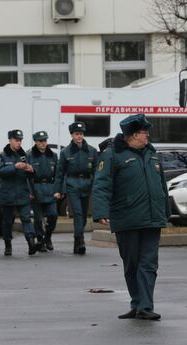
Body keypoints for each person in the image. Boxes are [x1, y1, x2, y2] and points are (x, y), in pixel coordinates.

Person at [92, 114, 170, 321]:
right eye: (145, 133)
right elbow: (101, 184)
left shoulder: (152, 155)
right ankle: (137, 303)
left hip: (153, 219)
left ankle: (145, 305)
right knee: (132, 264)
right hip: (127, 218)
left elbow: (161, 186)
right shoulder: (112, 155)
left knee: (149, 264)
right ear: (134, 135)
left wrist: (166, 211)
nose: (148, 136)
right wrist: (100, 212)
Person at [54, 122, 98, 255]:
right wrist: (58, 190)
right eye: (76, 134)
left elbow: (96, 171)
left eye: (81, 134)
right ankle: (80, 241)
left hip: (87, 184)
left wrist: (96, 186)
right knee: (78, 213)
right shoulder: (65, 152)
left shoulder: (92, 151)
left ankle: (76, 239)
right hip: (72, 185)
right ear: (72, 135)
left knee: (84, 216)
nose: (79, 136)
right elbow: (60, 173)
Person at [0, 129, 40, 256]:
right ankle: (7, 244)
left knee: (26, 219)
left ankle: (31, 243)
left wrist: (31, 170)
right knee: (8, 222)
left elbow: (30, 175)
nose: (19, 142)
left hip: (22, 193)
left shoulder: (24, 155)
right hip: (7, 194)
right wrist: (14, 167)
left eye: (20, 140)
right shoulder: (2, 155)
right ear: (10, 140)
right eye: (16, 140)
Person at [27, 131, 58, 251]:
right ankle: (40, 240)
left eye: (45, 140)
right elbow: (27, 176)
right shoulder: (29, 155)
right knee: (38, 219)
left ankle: (48, 237)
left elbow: (58, 174)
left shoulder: (53, 155)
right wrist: (30, 191)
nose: (43, 143)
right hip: (36, 189)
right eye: (40, 141)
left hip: (50, 189)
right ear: (35, 142)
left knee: (53, 215)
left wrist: (58, 190)